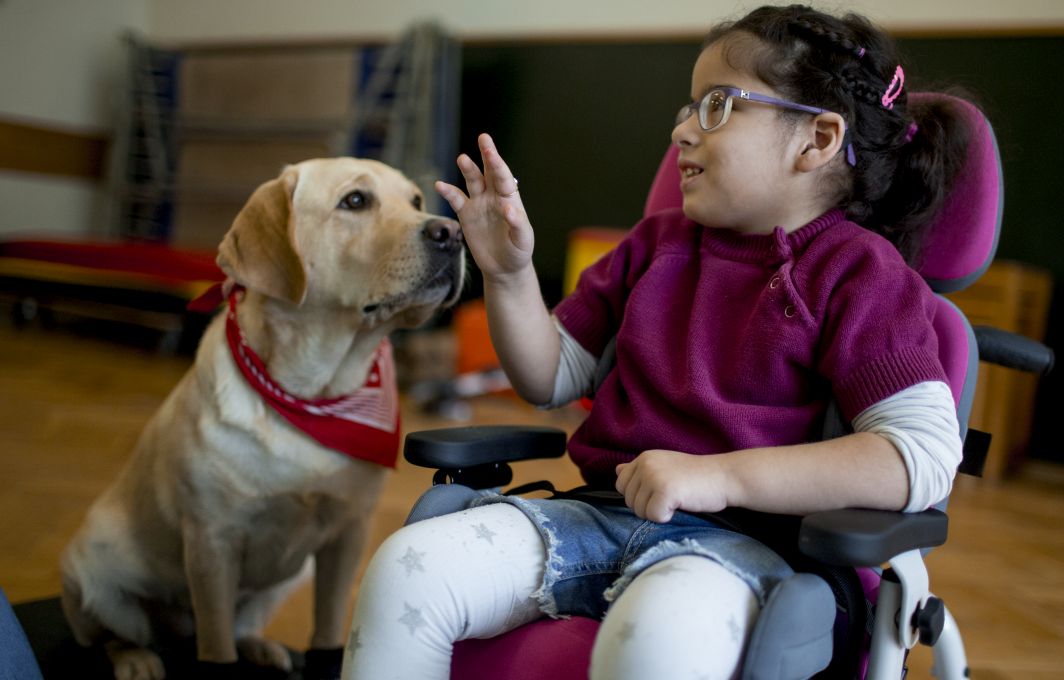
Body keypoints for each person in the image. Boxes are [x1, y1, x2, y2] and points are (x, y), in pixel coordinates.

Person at [342, 4, 970, 678]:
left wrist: (717, 477)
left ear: (815, 140)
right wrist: (510, 272)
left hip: (745, 553)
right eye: (689, 107)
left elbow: (920, 456)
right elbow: (550, 376)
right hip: (600, 519)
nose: (681, 130)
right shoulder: (653, 248)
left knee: (658, 635)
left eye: (717, 106)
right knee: (407, 574)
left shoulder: (863, 277)